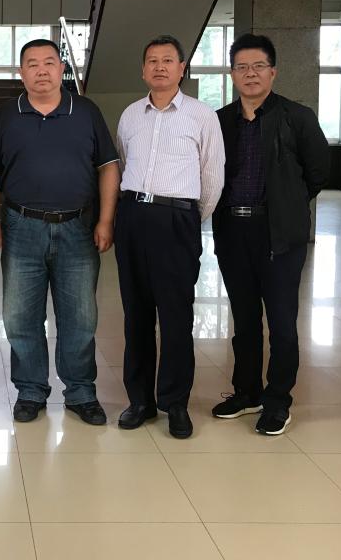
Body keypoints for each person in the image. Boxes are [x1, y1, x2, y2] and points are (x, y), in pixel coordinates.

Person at [0, 39, 120, 426]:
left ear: (62, 69)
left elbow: (108, 167)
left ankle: (80, 392)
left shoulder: (86, 111)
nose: (41, 70)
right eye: (32, 64)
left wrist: (105, 220)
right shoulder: (8, 114)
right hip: (21, 227)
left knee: (80, 317)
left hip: (78, 228)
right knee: (19, 316)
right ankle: (30, 390)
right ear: (21, 73)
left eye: (49, 62)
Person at [210, 33, 329, 435]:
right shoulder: (220, 121)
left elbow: (318, 173)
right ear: (232, 74)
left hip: (279, 233)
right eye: (242, 67)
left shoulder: (297, 117)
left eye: (258, 66)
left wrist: (286, 204)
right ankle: (246, 392)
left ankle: (277, 400)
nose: (250, 74)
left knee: (281, 321)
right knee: (244, 320)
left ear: (273, 72)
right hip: (233, 230)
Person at [115, 35, 225, 438]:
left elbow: (212, 176)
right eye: (152, 61)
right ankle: (140, 400)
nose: (159, 67)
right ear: (143, 70)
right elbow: (123, 162)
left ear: (182, 68)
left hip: (177, 219)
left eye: (167, 60)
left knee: (176, 316)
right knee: (136, 315)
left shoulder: (201, 115)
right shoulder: (130, 115)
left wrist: (188, 218)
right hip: (133, 217)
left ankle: (175, 403)